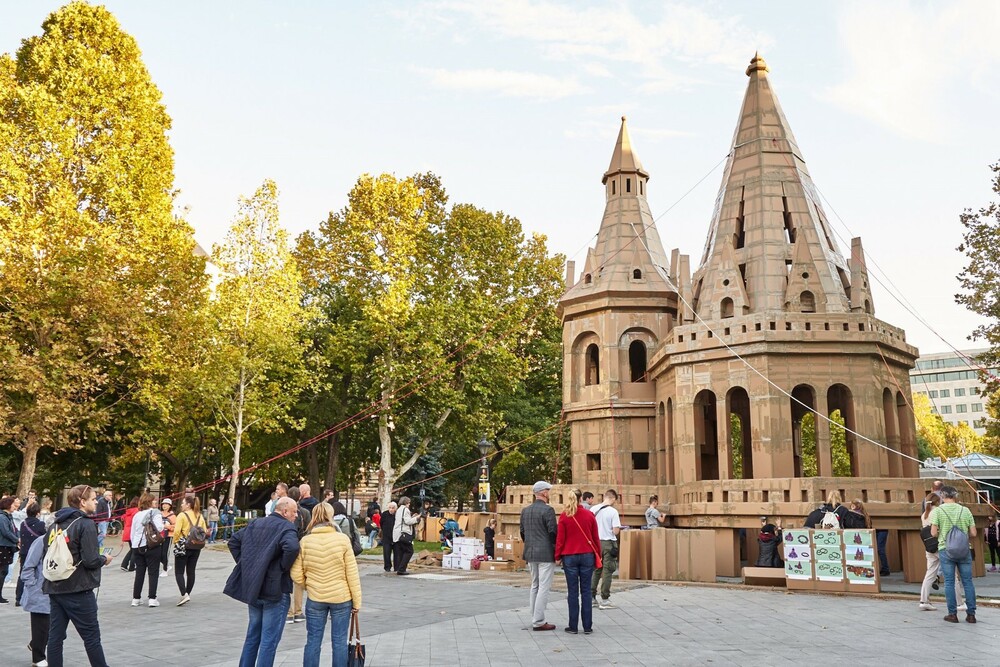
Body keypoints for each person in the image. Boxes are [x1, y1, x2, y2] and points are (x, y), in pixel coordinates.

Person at [43, 484, 114, 667]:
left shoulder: (55, 523)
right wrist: (104, 559)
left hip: (55, 586)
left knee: (55, 638)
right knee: (91, 638)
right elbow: (90, 560)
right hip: (78, 588)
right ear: (82, 502)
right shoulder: (85, 524)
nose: (96, 503)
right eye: (92, 499)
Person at [224, 496, 300, 667]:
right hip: (275, 589)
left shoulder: (256, 523)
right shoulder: (287, 527)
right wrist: (281, 568)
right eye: (294, 512)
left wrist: (248, 565)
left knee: (253, 635)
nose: (296, 516)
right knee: (269, 639)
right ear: (284, 511)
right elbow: (292, 547)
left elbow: (234, 541)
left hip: (254, 586)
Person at [292, 501, 363, 667]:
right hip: (341, 597)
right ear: (331, 517)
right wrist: (357, 601)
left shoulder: (305, 542)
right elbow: (352, 573)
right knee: (339, 641)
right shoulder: (343, 540)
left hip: (316, 597)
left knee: (313, 641)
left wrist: (309, 585)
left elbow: (296, 573)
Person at [555, 488, 600, 635]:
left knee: (572, 591)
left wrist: (557, 556)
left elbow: (560, 539)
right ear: (581, 499)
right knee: (586, 591)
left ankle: (573, 626)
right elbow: (595, 538)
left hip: (569, 556)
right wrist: (598, 555)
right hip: (587, 555)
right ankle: (587, 626)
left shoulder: (564, 516)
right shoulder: (589, 515)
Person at [929, 485, 977, 623]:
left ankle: (952, 614)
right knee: (967, 581)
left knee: (949, 582)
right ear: (955, 496)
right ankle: (971, 614)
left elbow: (933, 533)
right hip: (964, 550)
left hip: (946, 549)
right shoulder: (965, 510)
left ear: (942, 496)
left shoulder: (938, 511)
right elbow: (973, 533)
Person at [520, 480, 557, 631]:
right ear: (544, 493)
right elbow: (553, 532)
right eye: (548, 491)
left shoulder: (525, 511)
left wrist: (529, 544)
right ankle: (539, 620)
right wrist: (556, 549)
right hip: (546, 553)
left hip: (530, 552)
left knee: (534, 585)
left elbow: (522, 532)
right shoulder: (548, 510)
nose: (549, 494)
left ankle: (534, 616)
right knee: (544, 587)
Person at [918, 493, 963, 612]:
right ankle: (960, 602)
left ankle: (924, 601)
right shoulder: (939, 511)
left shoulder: (924, 515)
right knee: (953, 575)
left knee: (930, 573)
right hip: (940, 545)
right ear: (938, 501)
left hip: (929, 547)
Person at [21, 533, 50, 667]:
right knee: (40, 625)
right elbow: (28, 566)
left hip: (57, 591)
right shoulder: (41, 541)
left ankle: (35, 644)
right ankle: (38, 658)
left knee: (54, 628)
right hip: (40, 591)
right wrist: (32, 585)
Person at [130, 493, 165, 607]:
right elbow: (159, 527)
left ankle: (136, 598)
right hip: (151, 544)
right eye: (154, 500)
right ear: (150, 502)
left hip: (137, 545)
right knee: (153, 572)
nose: (156, 502)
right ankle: (152, 598)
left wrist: (134, 544)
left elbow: (133, 532)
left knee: (139, 572)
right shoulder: (155, 513)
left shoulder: (137, 515)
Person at [172, 495, 208, 606]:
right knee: (191, 571)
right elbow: (205, 531)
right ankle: (187, 593)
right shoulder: (199, 516)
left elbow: (177, 531)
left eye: (183, 503)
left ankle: (184, 594)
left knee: (179, 572)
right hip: (196, 546)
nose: (181, 505)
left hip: (183, 545)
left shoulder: (182, 515)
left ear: (188, 505)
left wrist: (175, 542)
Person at [590, 489, 622, 610]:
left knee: (596, 569)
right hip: (608, 543)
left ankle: (591, 597)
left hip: (596, 543)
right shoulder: (613, 512)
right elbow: (615, 530)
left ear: (605, 496)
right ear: (613, 499)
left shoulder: (593, 509)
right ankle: (605, 599)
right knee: (608, 571)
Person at [285, 486, 311, 624]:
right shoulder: (305, 512)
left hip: (286, 547)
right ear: (300, 496)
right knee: (298, 579)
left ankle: (288, 612)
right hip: (300, 547)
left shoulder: (284, 511)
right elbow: (308, 530)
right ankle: (298, 611)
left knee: (286, 577)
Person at [17, 502, 46, 606]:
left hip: (24, 551)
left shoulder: (23, 523)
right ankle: (30, 594)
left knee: (22, 573)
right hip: (35, 553)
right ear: (38, 513)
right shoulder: (41, 524)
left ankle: (18, 597)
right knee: (35, 574)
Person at [392, 496, 420, 575]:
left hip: (397, 533)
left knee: (401, 551)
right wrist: (416, 518)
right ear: (406, 502)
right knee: (409, 551)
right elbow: (407, 521)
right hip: (404, 533)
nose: (409, 504)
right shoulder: (405, 509)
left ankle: (399, 568)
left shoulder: (399, 510)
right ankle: (401, 568)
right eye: (409, 503)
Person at [0, 496, 19, 603]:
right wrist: (17, 540)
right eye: (12, 504)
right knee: (2, 571)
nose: (15, 506)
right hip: (2, 546)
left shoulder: (8, 516)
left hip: (7, 546)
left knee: (4, 571)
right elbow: (6, 532)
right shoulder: (3, 517)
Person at [120, 497, 139, 572]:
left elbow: (123, 518)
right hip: (133, 532)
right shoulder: (137, 511)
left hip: (127, 532)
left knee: (132, 549)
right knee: (134, 550)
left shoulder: (128, 511)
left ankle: (124, 564)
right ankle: (131, 566)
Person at [159, 498, 176, 577]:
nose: (164, 505)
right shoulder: (159, 514)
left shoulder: (172, 516)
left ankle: (165, 570)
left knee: (165, 553)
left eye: (166, 504)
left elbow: (176, 526)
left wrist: (168, 526)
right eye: (163, 504)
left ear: (170, 506)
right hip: (159, 536)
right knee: (158, 553)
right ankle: (167, 565)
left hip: (168, 536)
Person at [380, 502, 397, 573]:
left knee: (397, 553)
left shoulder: (397, 515)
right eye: (390, 508)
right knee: (386, 552)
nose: (391, 509)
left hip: (395, 536)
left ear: (395, 509)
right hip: (386, 536)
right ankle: (387, 567)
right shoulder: (385, 514)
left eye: (393, 508)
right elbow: (381, 523)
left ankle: (397, 567)